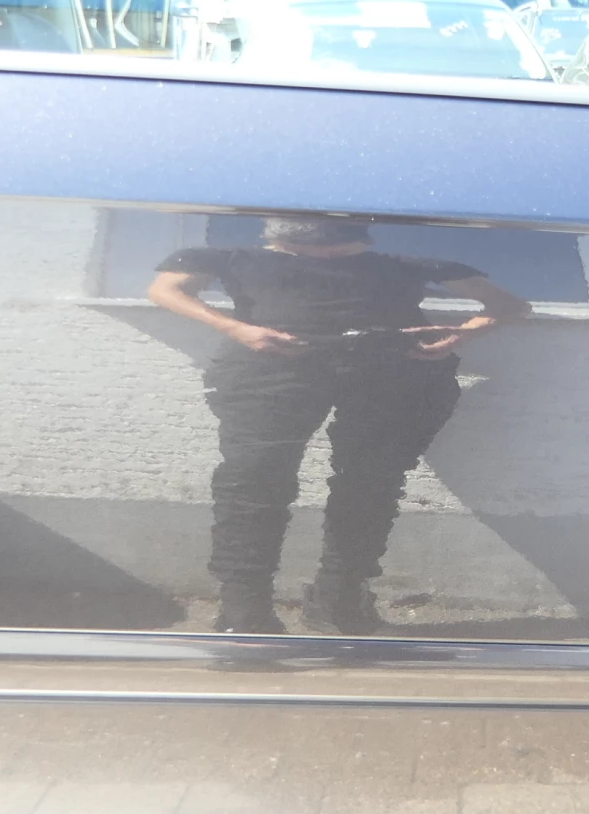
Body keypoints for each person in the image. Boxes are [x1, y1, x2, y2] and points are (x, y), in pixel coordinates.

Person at [148, 218, 531, 634]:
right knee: (253, 481)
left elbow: (510, 306)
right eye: (315, 248)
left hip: (390, 371)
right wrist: (236, 329)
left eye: (341, 249)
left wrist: (457, 337)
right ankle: (244, 610)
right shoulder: (232, 258)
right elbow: (166, 290)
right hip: (270, 372)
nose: (329, 255)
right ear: (281, 235)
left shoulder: (405, 264)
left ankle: (339, 599)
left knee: (371, 483)